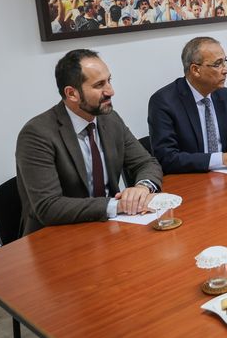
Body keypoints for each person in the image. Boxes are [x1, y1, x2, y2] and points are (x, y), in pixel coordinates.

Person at [16, 49, 163, 235]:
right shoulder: (37, 134)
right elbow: (48, 206)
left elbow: (146, 162)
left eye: (109, 80)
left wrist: (143, 187)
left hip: (107, 229)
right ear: (72, 94)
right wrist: (117, 205)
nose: (111, 91)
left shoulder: (109, 119)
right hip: (58, 238)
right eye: (99, 85)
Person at [148, 37, 227, 174]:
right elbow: (167, 158)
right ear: (195, 70)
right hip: (191, 183)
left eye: (225, 62)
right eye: (218, 64)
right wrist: (222, 159)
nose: (226, 70)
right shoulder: (164, 102)